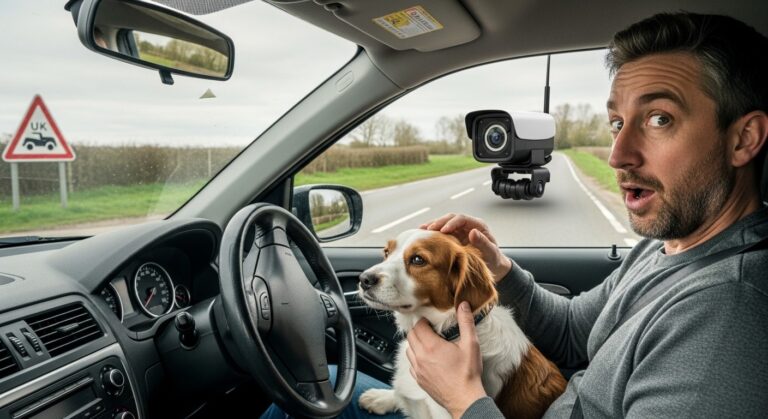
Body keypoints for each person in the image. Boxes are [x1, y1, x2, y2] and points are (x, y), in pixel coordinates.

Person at [263, 11, 768, 418]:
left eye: (659, 118)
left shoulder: (727, 320)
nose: (618, 155)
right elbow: (573, 333)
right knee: (316, 389)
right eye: (618, 122)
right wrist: (499, 268)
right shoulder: (664, 248)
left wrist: (462, 399)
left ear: (743, 139)